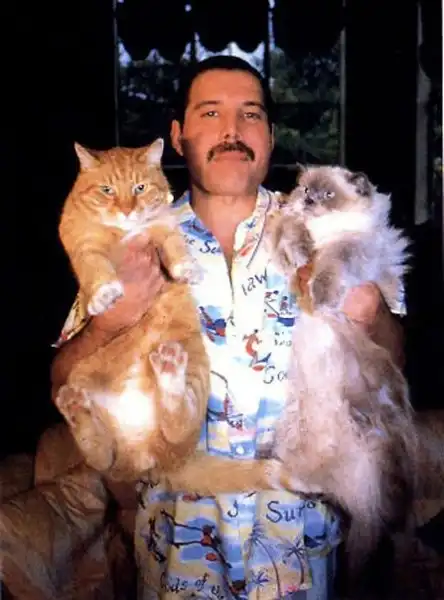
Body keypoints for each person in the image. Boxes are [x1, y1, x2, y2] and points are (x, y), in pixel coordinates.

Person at [51, 55, 405, 600]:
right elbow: (64, 383)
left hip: (300, 550)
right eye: (211, 113)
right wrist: (107, 325)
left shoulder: (324, 223)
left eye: (251, 114)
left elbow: (393, 364)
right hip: (178, 548)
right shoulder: (130, 240)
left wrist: (369, 313)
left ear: (270, 136)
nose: (232, 130)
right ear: (178, 136)